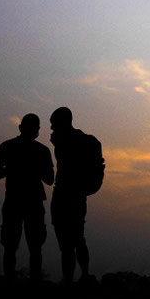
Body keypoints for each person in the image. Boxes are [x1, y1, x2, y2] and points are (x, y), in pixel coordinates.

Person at [0, 113, 54, 280]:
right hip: (19, 200)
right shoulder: (38, 150)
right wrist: (17, 168)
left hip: (22, 201)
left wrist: (21, 167)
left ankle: (21, 282)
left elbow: (49, 179)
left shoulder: (11, 147)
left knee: (26, 247)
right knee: (15, 247)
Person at [49, 106, 104, 284]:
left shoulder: (66, 141)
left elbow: (65, 159)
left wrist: (57, 142)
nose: (52, 128)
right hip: (72, 195)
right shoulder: (81, 140)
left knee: (70, 243)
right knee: (75, 239)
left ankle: (72, 279)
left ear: (64, 122)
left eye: (54, 124)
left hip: (69, 194)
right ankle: (81, 275)